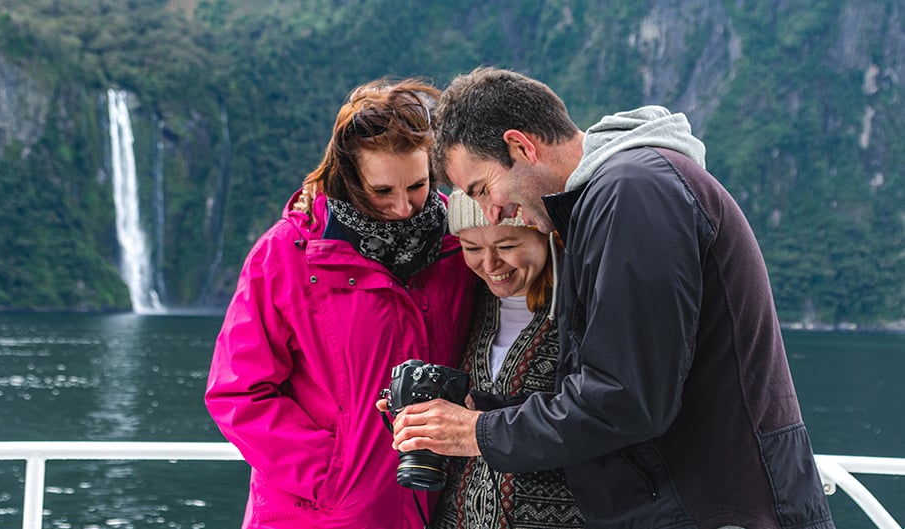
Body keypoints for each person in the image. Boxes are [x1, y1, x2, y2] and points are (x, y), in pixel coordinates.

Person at [386, 67, 836, 529]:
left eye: (482, 189)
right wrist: (469, 412)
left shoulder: (631, 192)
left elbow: (627, 400)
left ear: (521, 146)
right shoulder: (615, 195)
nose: (492, 212)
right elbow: (615, 390)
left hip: (713, 510)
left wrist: (476, 433)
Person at [205, 77, 476, 529]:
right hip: (320, 514)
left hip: (435, 507)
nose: (405, 207)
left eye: (417, 185)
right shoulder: (286, 253)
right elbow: (237, 391)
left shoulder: (460, 245)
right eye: (383, 191)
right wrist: (333, 472)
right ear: (349, 177)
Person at [430, 189, 584, 529]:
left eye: (507, 246)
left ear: (543, 230)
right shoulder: (462, 300)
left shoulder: (582, 306)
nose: (489, 265)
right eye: (472, 248)